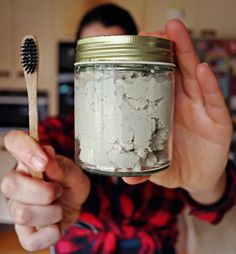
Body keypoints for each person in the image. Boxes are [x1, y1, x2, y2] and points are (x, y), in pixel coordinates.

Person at [1, 3, 236, 254]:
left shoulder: (166, 136)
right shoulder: (60, 132)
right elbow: (34, 163)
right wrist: (33, 183)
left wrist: (208, 185)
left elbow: (214, 205)